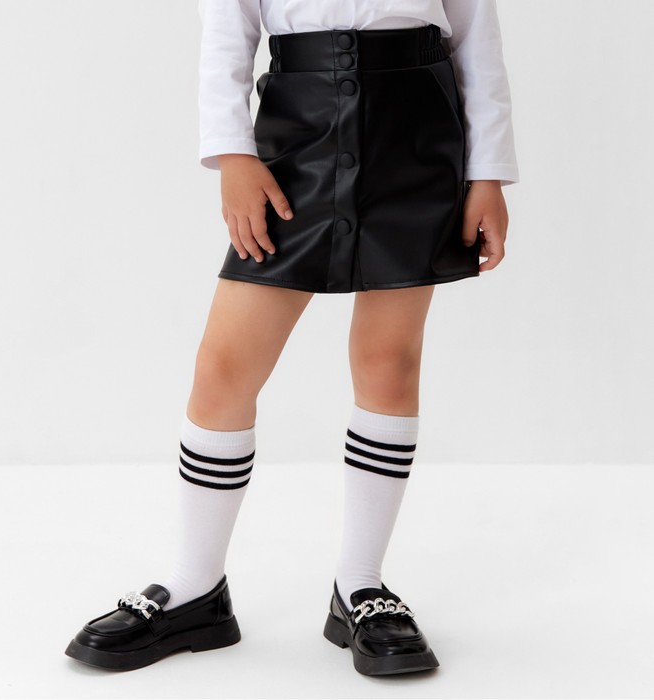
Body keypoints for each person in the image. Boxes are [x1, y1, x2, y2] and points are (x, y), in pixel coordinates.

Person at [65, 0, 519, 677]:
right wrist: (232, 155)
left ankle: (360, 586)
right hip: (294, 139)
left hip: (417, 138)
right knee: (224, 368)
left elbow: (477, 38)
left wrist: (487, 173)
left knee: (388, 362)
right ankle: (195, 587)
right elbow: (227, 35)